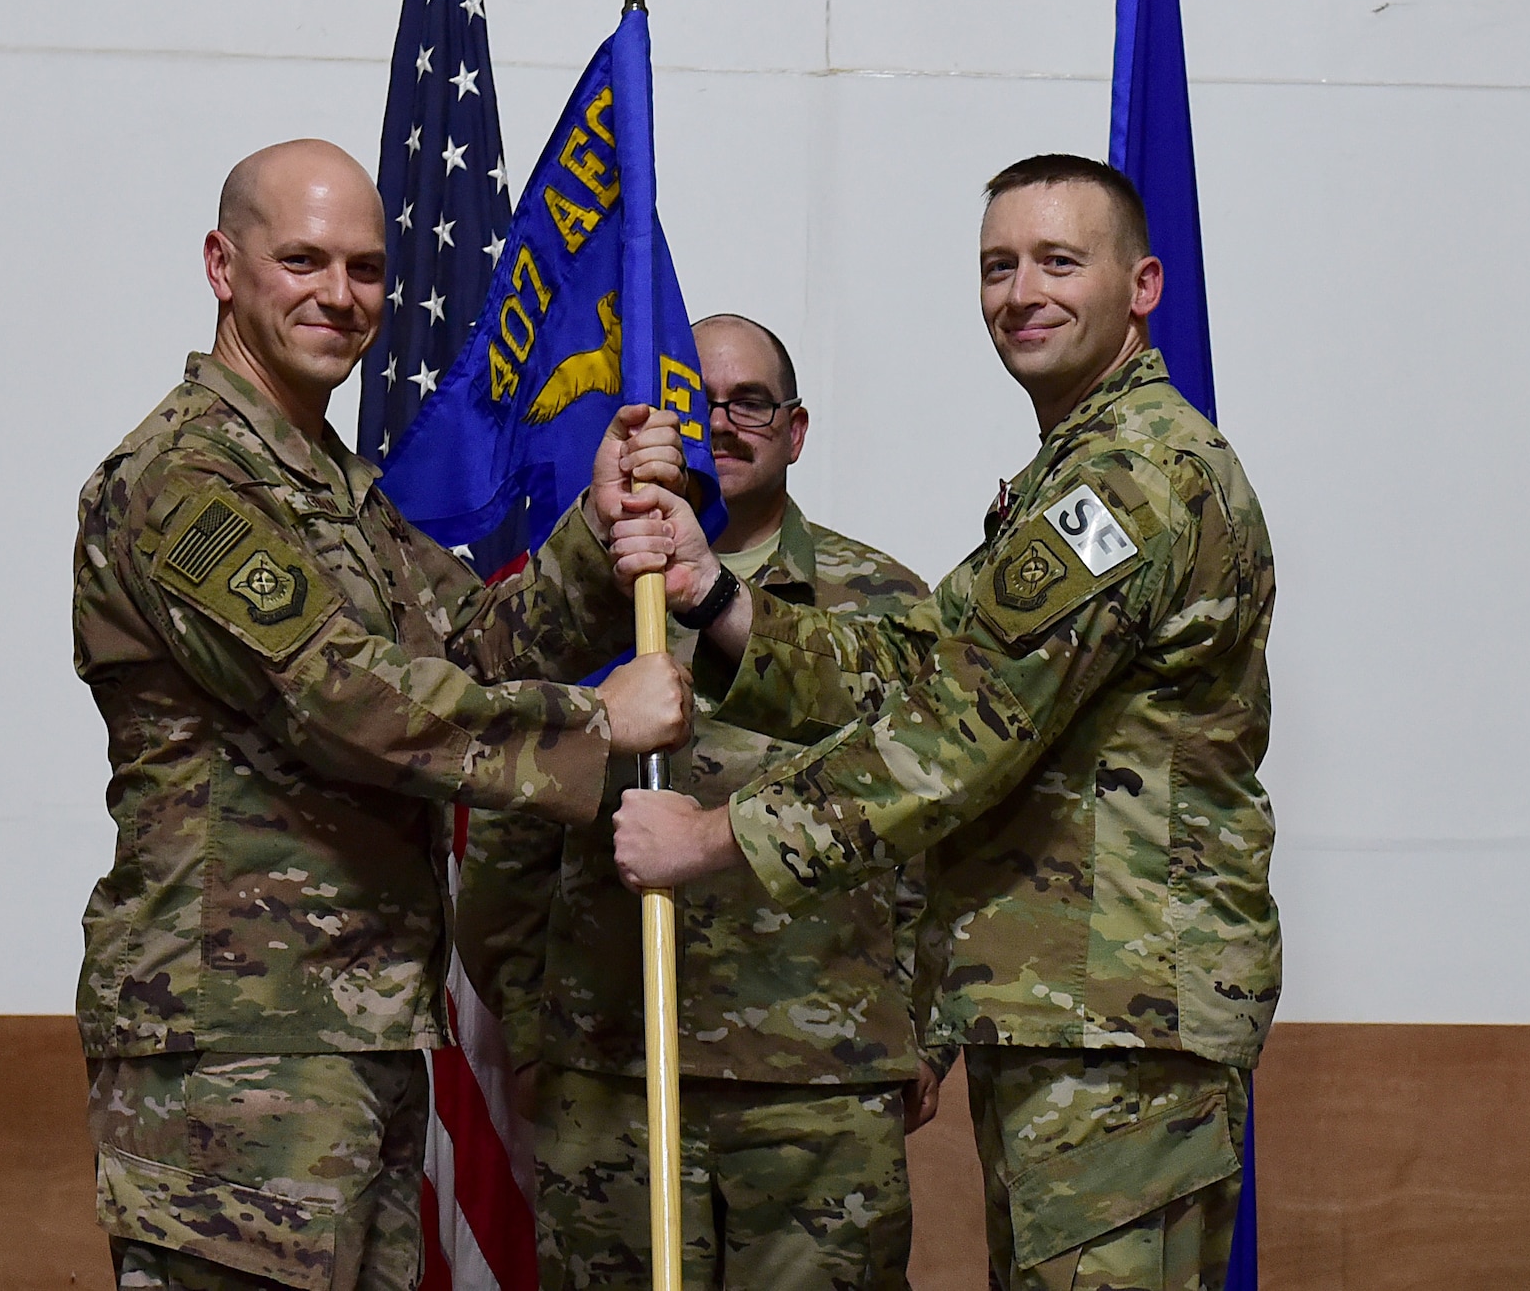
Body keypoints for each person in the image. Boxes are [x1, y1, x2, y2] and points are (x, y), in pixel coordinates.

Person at [607, 155, 1280, 1291]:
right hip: (1076, 1009)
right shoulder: (1076, 470)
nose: (1022, 292)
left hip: (1115, 1018)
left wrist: (710, 839)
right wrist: (713, 599)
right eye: (997, 266)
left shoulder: (1131, 478)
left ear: (1143, 284)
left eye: (1059, 261)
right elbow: (920, 664)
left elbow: (954, 735)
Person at [71, 138, 694, 1291]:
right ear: (223, 263)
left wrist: (593, 542)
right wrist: (592, 727)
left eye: (364, 268)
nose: (339, 294)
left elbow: (464, 647)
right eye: (301, 259)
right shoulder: (183, 479)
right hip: (238, 1053)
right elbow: (340, 695)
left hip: (352, 1033)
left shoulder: (332, 487)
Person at [456, 314, 939, 1291]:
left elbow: (933, 822)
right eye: (695, 402)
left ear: (795, 429)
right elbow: (509, 820)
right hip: (614, 1085)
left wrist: (924, 1033)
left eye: (749, 401)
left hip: (820, 1094)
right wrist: (539, 1030)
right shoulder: (598, 590)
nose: (721, 423)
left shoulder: (881, 601)